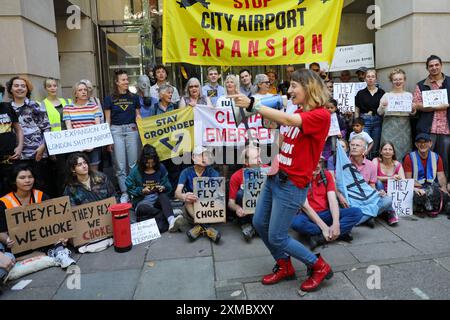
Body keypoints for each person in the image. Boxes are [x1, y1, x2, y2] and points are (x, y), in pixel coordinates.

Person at [230, 69, 333, 292]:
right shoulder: (296, 109)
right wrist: (276, 157)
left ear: (309, 88)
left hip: (293, 185)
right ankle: (284, 265)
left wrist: (252, 104)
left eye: (295, 85)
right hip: (276, 177)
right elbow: (286, 134)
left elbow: (288, 120)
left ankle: (319, 266)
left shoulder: (321, 115)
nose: (290, 90)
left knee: (277, 235)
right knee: (259, 222)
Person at [0, 164, 76, 268]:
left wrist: (61, 234)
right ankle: (44, 255)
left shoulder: (40, 195)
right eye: (22, 178)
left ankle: (58, 255)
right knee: (11, 252)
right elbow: (1, 232)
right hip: (20, 245)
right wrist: (7, 240)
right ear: (14, 181)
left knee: (58, 241)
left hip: (42, 240)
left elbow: (54, 221)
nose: (27, 180)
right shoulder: (4, 202)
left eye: (30, 177)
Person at [291, 158, 363, 249]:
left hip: (326, 213)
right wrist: (324, 227)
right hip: (307, 215)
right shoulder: (299, 177)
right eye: (313, 162)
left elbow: (333, 201)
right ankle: (339, 233)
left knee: (356, 212)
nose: (317, 166)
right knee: (296, 223)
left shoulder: (326, 175)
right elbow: (306, 207)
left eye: (320, 162)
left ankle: (319, 237)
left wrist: (336, 223)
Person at [6, 76, 51, 193]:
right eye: (16, 86)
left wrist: (43, 147)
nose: (20, 88)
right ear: (10, 89)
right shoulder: (7, 108)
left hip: (37, 154)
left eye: (23, 86)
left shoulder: (35, 106)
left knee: (40, 186)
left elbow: (46, 128)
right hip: (17, 156)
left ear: (27, 89)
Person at [125, 145, 185, 232]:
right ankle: (168, 214)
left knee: (163, 196)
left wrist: (163, 187)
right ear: (142, 161)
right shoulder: (136, 170)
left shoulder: (160, 167)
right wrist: (141, 190)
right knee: (142, 208)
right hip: (142, 202)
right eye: (147, 163)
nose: (150, 165)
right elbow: (129, 188)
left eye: (152, 163)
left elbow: (168, 186)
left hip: (157, 200)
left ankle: (171, 221)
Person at [104, 69, 142, 204]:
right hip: (116, 131)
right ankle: (125, 192)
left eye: (127, 79)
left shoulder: (134, 97)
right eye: (123, 80)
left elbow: (138, 115)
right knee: (120, 166)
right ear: (117, 82)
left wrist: (140, 122)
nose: (126, 82)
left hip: (132, 130)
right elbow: (107, 120)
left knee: (133, 164)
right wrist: (107, 139)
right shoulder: (109, 98)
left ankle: (133, 191)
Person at [340, 136, 393, 227]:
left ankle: (360, 219)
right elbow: (339, 185)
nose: (354, 147)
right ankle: (369, 216)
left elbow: (372, 186)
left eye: (357, 145)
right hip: (350, 198)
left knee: (388, 200)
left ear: (364, 149)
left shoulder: (371, 165)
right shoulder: (344, 163)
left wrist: (378, 192)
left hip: (365, 198)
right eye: (352, 145)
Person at [413, 55, 450, 181]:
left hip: (446, 129)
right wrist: (438, 107)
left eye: (436, 65)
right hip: (428, 129)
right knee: (426, 159)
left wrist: (447, 105)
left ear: (441, 65)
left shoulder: (449, 82)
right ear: (427, 68)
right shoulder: (421, 85)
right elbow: (416, 104)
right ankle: (426, 186)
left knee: (445, 159)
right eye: (431, 66)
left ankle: (444, 188)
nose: (434, 68)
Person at [175, 146, 221, 243]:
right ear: (193, 158)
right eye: (200, 155)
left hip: (208, 208)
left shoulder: (212, 172)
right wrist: (184, 196)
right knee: (188, 197)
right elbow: (177, 193)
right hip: (192, 209)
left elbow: (219, 189)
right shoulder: (186, 172)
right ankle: (207, 228)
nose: (204, 158)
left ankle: (200, 228)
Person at [403, 133, 449, 217]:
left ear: (430, 143)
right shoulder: (409, 157)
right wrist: (419, 188)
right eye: (419, 142)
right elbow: (407, 180)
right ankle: (428, 206)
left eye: (425, 142)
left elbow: (441, 176)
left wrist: (444, 187)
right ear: (416, 144)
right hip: (417, 188)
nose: (422, 144)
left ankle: (428, 206)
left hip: (432, 187)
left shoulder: (437, 157)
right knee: (417, 196)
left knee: (444, 193)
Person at [40, 77, 72, 196]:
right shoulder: (42, 104)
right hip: (56, 144)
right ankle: (63, 198)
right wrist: (50, 149)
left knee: (72, 171)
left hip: (71, 142)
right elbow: (44, 128)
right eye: (49, 86)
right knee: (61, 174)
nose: (53, 88)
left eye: (54, 85)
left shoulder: (67, 102)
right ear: (45, 88)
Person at [63, 81, 103, 171]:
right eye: (80, 90)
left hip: (93, 145)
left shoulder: (94, 107)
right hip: (77, 146)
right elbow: (69, 129)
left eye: (85, 90)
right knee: (79, 172)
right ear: (75, 93)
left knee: (94, 173)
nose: (84, 92)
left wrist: (92, 145)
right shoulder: (68, 108)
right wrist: (78, 146)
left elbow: (98, 127)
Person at [378, 68, 415, 162]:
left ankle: (402, 172)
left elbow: (412, 113)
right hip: (389, 126)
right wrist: (382, 106)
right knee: (387, 148)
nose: (398, 81)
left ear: (404, 80)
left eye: (400, 79)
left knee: (404, 148)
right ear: (391, 81)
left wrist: (413, 109)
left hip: (404, 127)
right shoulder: (386, 95)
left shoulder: (409, 95)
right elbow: (379, 112)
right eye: (395, 79)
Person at [228, 145, 264, 242]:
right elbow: (231, 203)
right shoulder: (236, 176)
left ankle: (254, 229)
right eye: (256, 158)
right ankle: (248, 225)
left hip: (264, 210)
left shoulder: (267, 171)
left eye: (260, 156)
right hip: (247, 213)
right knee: (240, 193)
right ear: (246, 162)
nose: (260, 160)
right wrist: (237, 208)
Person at [372, 142, 406, 225]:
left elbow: (404, 181)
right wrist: (390, 178)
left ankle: (386, 211)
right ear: (381, 152)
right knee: (379, 182)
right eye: (385, 149)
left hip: (393, 192)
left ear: (393, 152)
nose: (387, 151)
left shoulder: (397, 164)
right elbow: (372, 178)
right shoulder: (375, 161)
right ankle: (390, 212)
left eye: (390, 149)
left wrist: (399, 178)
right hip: (379, 191)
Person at [355, 70, 385, 159]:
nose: (370, 79)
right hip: (364, 121)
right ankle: (365, 165)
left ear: (376, 78)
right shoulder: (360, 93)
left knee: (375, 145)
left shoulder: (382, 92)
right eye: (368, 77)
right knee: (365, 144)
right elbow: (357, 108)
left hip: (377, 120)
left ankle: (373, 166)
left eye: (373, 76)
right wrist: (357, 122)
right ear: (365, 79)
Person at [0, 101, 23, 196]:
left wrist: (20, 147)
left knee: (12, 186)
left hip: (11, 157)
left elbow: (18, 130)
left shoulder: (7, 107)